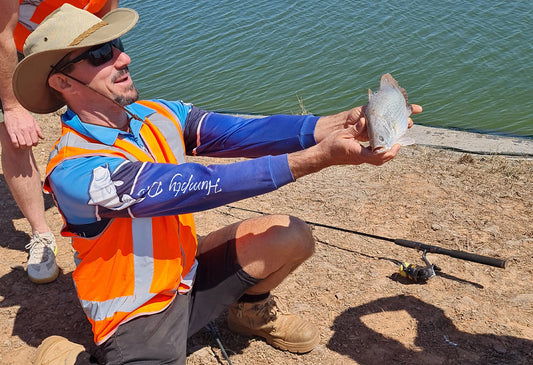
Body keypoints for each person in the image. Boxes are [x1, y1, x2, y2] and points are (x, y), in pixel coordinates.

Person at [13, 5, 422, 364]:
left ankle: (248, 311)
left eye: (116, 43)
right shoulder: (74, 170)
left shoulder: (158, 114)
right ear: (63, 83)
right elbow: (196, 184)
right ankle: (65, 356)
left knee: (291, 236)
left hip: (188, 272)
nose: (124, 57)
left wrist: (337, 123)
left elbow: (241, 134)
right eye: (100, 54)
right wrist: (319, 158)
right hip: (137, 312)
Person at [0, 0, 119, 283]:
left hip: (81, 34)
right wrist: (14, 108)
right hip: (16, 45)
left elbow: (108, 11)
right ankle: (41, 234)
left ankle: (118, 212)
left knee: (110, 113)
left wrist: (103, 56)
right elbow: (2, 33)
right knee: (15, 135)